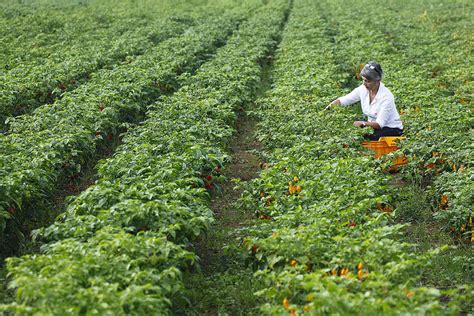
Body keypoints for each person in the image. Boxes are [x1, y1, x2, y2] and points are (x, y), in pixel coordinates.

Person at [326, 61, 403, 141]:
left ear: (377, 81)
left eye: (368, 81)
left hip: (391, 129)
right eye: (363, 80)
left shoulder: (386, 97)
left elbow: (379, 124)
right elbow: (344, 100)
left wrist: (362, 123)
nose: (364, 84)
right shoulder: (363, 89)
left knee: (362, 138)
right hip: (373, 128)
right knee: (350, 134)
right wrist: (328, 109)